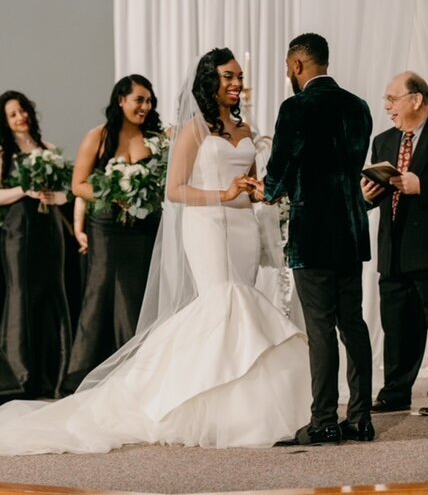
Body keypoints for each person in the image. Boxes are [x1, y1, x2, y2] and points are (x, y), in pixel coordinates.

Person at [0, 48, 311, 454]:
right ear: (209, 81)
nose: (236, 83)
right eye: (228, 77)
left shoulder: (247, 129)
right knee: (223, 302)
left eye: (239, 76)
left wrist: (257, 194)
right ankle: (180, 399)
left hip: (242, 227)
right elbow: (175, 190)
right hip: (208, 226)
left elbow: (248, 182)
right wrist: (224, 193)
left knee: (240, 306)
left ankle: (239, 401)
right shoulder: (193, 130)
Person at [251, 33, 375, 445]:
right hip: (351, 229)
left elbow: (282, 166)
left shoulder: (297, 107)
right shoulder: (359, 107)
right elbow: (351, 165)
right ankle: (359, 418)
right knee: (353, 323)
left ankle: (323, 420)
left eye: (289, 67)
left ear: (298, 65)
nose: (289, 74)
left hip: (313, 231)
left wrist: (265, 190)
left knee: (320, 327)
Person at [61, 75, 163, 393]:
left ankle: (138, 374)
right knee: (99, 295)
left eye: (149, 101)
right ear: (121, 100)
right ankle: (78, 377)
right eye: (139, 100)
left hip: (144, 229)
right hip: (106, 227)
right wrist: (113, 192)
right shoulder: (99, 136)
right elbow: (78, 184)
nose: (145, 106)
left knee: (137, 296)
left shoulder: (156, 138)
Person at [362, 71, 428, 417]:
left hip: (426, 248)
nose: (388, 107)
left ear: (416, 99)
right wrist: (367, 196)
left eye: (393, 99)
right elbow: (379, 193)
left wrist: (422, 186)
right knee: (397, 326)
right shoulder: (384, 140)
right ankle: (395, 393)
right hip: (394, 249)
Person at [0, 91, 72, 400]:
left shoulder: (49, 149)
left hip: (49, 229)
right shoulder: (4, 153)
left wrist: (54, 196)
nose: (20, 117)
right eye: (13, 114)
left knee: (51, 292)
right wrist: (24, 189)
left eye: (23, 110)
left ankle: (54, 375)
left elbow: (66, 194)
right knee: (22, 295)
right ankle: (22, 375)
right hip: (19, 231)